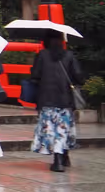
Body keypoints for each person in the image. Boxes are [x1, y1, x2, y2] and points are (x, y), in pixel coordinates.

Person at [30, 30, 84, 172]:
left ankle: (58, 160)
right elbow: (79, 76)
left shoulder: (42, 55)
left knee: (51, 130)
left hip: (46, 99)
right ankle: (63, 156)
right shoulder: (69, 55)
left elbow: (35, 76)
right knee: (62, 129)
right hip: (65, 99)